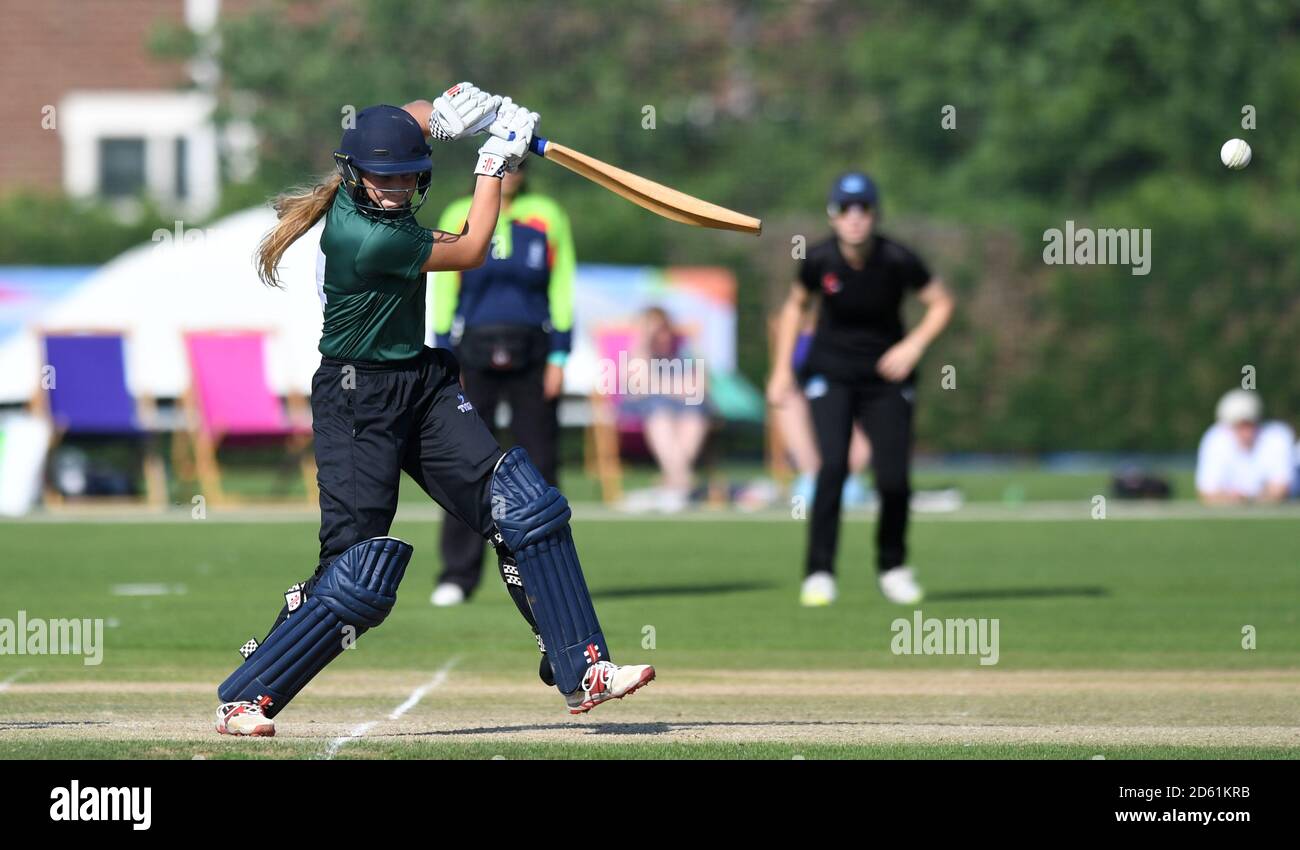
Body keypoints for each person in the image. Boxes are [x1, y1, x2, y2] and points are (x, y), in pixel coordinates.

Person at [213, 84, 653, 737]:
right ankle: (247, 696)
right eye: (382, 177)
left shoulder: (380, 192)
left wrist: (450, 110)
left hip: (417, 384)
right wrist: (494, 160)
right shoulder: (367, 238)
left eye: (407, 175)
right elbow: (474, 248)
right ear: (355, 176)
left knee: (523, 505)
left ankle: (583, 666)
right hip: (357, 399)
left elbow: (395, 126)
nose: (394, 187)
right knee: (357, 575)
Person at [767, 171, 954, 607]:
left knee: (892, 479)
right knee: (831, 468)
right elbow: (796, 306)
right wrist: (781, 370)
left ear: (874, 214)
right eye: (845, 210)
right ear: (832, 216)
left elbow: (941, 302)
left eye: (863, 209)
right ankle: (819, 572)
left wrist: (913, 346)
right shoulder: (818, 260)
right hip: (831, 373)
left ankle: (893, 567)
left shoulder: (898, 259)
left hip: (887, 378)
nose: (854, 219)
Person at [428, 161, 575, 606]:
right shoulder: (459, 213)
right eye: (501, 168)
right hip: (471, 352)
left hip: (534, 351)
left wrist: (560, 354)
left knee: (540, 465)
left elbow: (563, 283)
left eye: (518, 167)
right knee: (469, 464)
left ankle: (546, 576)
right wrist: (442, 354)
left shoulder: (547, 214)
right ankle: (458, 575)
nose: (510, 175)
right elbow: (443, 286)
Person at [620, 306, 710, 513]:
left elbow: (700, 386)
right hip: (649, 411)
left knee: (695, 410)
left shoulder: (683, 352)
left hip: (682, 411)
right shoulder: (637, 353)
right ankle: (683, 481)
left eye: (663, 330)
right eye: (654, 331)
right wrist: (643, 343)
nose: (660, 336)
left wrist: (695, 344)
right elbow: (637, 386)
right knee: (659, 411)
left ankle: (673, 483)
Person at [1196, 389, 1295, 504]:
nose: (1246, 431)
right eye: (1239, 425)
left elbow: (1280, 490)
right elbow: (1207, 492)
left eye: (1249, 423)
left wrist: (1245, 500)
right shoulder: (1215, 440)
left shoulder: (1277, 436)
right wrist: (1237, 500)